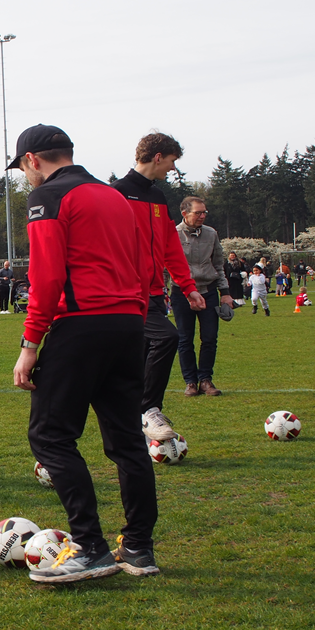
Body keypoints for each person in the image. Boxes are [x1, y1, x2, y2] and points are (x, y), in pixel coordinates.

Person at [8, 123, 159, 584]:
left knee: (50, 436)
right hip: (129, 324)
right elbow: (144, 263)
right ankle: (138, 546)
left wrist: (29, 345)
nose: (25, 179)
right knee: (127, 440)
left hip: (81, 325)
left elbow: (47, 277)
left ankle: (90, 547)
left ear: (33, 160)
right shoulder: (116, 196)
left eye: (23, 169)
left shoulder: (48, 197)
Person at [111, 133, 204, 440]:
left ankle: (132, 422)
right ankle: (148, 410)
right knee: (167, 339)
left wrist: (187, 286)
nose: (173, 169)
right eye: (173, 162)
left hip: (154, 295)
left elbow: (169, 248)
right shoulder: (116, 194)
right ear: (158, 157)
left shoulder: (158, 197)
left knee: (139, 359)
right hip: (125, 295)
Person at [174, 196, 233, 397]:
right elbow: (166, 267)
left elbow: (218, 265)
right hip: (181, 292)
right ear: (184, 214)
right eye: (198, 212)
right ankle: (190, 382)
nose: (202, 216)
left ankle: (205, 380)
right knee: (184, 339)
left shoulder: (211, 234)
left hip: (208, 291)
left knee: (209, 338)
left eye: (204, 212)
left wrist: (225, 293)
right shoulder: (172, 235)